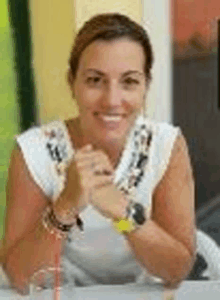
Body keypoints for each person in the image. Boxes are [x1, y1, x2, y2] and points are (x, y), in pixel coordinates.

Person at [0, 12, 196, 295]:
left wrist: (123, 212)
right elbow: (21, 277)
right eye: (95, 80)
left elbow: (176, 270)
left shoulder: (166, 145)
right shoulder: (34, 150)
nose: (112, 100)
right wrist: (66, 205)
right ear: (72, 82)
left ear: (146, 87)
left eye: (129, 81)